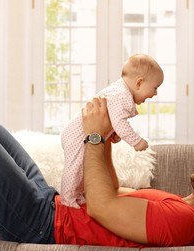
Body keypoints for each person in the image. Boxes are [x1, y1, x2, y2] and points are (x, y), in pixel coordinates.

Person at [0, 97, 194, 247]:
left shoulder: (185, 222)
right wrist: (102, 142)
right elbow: (109, 192)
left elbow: (103, 206)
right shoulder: (180, 204)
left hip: (41, 225)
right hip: (53, 203)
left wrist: (93, 136)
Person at [60, 54, 164, 208]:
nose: (155, 94)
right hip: (76, 134)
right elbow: (119, 122)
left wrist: (112, 133)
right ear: (139, 82)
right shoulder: (121, 95)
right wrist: (136, 141)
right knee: (75, 166)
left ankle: (76, 196)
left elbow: (112, 121)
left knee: (83, 167)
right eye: (155, 88)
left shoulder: (120, 92)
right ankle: (67, 200)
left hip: (82, 134)